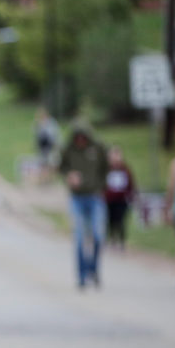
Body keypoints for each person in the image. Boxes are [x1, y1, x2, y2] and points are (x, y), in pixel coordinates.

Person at [57, 122, 108, 289]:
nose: (80, 140)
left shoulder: (98, 148)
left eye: (83, 137)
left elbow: (106, 169)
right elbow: (61, 168)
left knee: (97, 235)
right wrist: (69, 176)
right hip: (76, 199)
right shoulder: (68, 149)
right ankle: (81, 276)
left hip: (95, 197)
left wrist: (99, 186)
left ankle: (93, 269)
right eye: (77, 138)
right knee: (79, 238)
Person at [103, 145, 136, 250]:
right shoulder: (106, 169)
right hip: (109, 200)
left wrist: (132, 196)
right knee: (109, 220)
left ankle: (122, 241)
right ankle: (111, 239)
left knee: (121, 221)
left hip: (122, 200)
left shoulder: (125, 169)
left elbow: (131, 185)